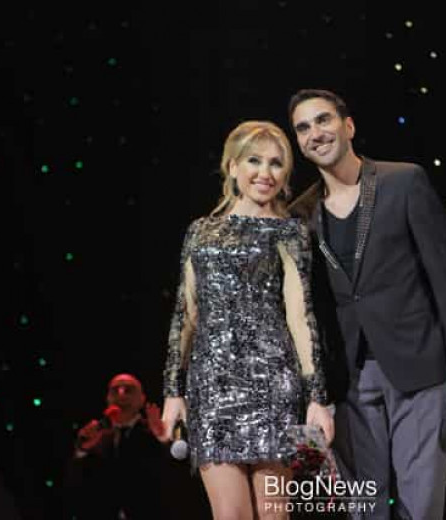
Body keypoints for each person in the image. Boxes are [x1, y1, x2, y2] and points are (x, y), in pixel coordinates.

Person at [288, 89, 446, 519]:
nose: (315, 133)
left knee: (420, 504)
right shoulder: (301, 214)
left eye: (323, 120)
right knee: (363, 507)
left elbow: (445, 277)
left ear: (348, 126)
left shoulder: (403, 181)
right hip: (350, 378)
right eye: (303, 128)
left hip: (418, 364)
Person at [160, 120, 335, 519]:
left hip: (274, 384)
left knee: (274, 515)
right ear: (232, 166)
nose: (265, 173)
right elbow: (186, 314)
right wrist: (172, 390)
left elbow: (300, 316)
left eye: (276, 163)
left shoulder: (289, 232)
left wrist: (317, 397)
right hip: (213, 388)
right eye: (254, 161)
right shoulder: (200, 232)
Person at [65, 373, 168, 520]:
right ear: (108, 398)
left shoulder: (155, 431)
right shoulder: (96, 435)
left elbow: (174, 476)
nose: (121, 394)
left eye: (129, 390)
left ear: (142, 399)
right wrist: (82, 450)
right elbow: (73, 486)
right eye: (115, 390)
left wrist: (162, 439)